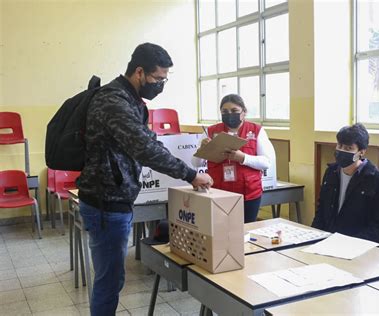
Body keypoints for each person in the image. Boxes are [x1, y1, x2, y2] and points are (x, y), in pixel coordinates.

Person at [76, 43, 213, 316]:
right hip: (106, 204)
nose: (160, 84)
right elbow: (145, 149)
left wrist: (187, 171)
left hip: (117, 200)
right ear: (139, 72)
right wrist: (190, 175)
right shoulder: (113, 101)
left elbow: (151, 143)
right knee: (108, 282)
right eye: (158, 78)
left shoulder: (132, 101)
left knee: (113, 279)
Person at [192, 94, 276, 223]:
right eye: (225, 112)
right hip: (218, 193)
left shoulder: (256, 131)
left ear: (244, 112)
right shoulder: (211, 131)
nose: (229, 114)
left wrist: (243, 158)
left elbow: (267, 162)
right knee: (220, 230)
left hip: (248, 194)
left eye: (234, 111)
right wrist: (202, 150)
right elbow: (195, 163)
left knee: (246, 230)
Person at [311, 123, 379, 244]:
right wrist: (314, 237)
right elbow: (321, 210)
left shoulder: (377, 180)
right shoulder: (331, 172)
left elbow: (378, 226)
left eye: (348, 148)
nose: (342, 151)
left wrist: (350, 244)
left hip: (356, 246)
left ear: (361, 152)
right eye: (340, 146)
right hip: (327, 240)